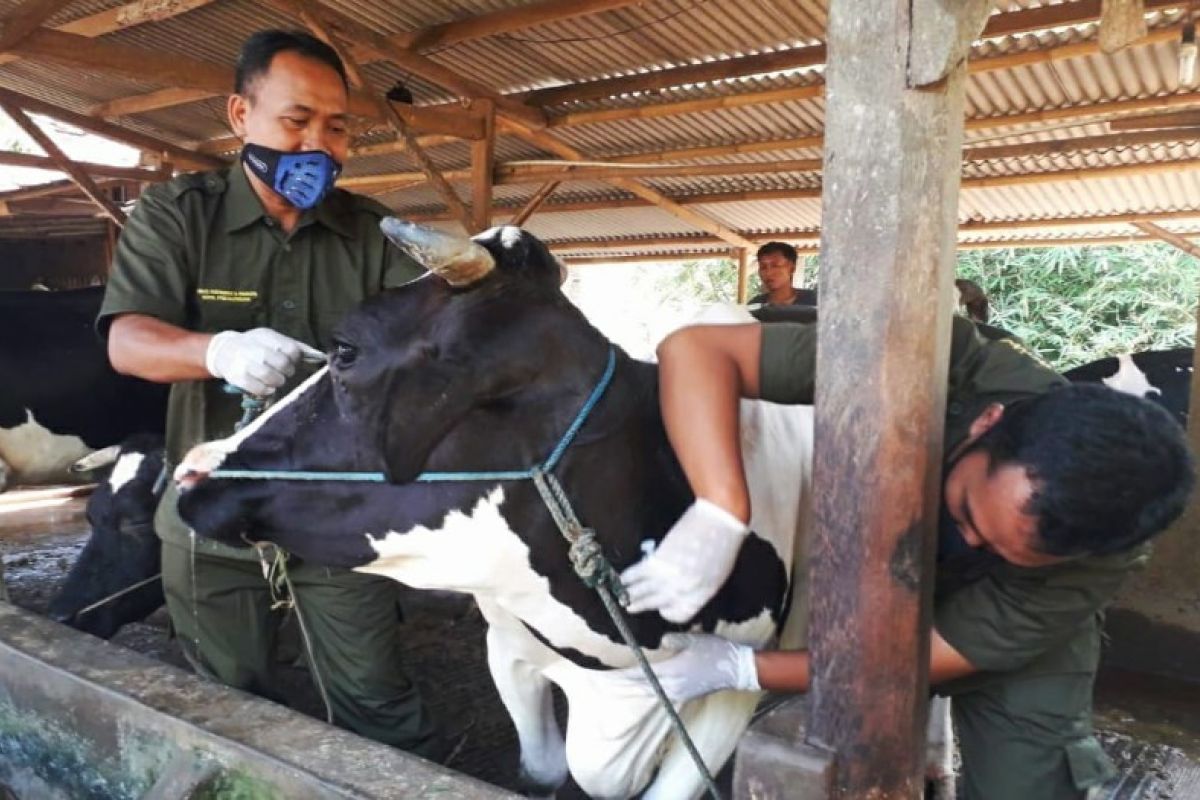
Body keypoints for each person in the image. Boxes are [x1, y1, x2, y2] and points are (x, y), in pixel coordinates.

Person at [618, 314, 1193, 799]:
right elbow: (697, 349)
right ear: (986, 424)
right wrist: (721, 509)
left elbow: (930, 655)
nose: (968, 541)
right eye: (969, 512)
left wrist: (739, 670)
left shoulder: (1101, 556)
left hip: (1006, 639)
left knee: (1030, 785)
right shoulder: (946, 360)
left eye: (1008, 552)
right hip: (874, 556)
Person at [98, 30, 444, 759]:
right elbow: (126, 341)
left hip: (340, 515)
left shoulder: (372, 236)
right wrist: (215, 348)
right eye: (296, 120)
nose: (317, 143)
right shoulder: (177, 216)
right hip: (209, 510)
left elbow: (432, 349)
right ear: (239, 115)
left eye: (338, 125)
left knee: (376, 705)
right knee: (229, 712)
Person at [747, 241, 817, 307]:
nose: (768, 273)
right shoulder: (754, 305)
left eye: (775, 266)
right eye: (763, 267)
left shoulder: (815, 301)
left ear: (792, 269)